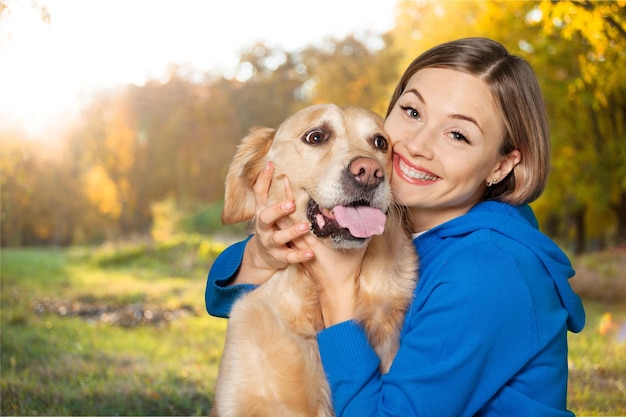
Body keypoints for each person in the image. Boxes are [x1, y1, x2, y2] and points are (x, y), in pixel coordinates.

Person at [205, 37, 585, 416]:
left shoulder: (489, 270)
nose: (417, 145)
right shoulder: (401, 226)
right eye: (412, 112)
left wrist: (337, 289)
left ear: (501, 166)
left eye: (458, 135)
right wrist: (261, 254)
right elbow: (222, 299)